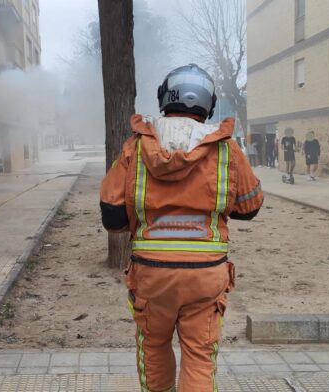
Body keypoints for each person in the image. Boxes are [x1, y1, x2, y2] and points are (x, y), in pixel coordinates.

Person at [99, 64, 264, 392]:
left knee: (153, 347)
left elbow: (112, 218)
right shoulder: (226, 149)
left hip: (151, 275)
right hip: (206, 277)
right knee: (200, 354)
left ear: (164, 97)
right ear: (209, 104)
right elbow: (250, 206)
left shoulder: (136, 146)